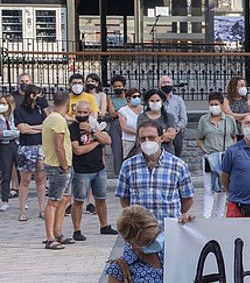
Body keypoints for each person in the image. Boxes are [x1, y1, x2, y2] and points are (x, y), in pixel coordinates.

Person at [117, 121, 195, 226]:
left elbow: (187, 198)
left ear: (161, 138)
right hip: (139, 230)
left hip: (168, 228)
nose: (147, 141)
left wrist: (176, 215)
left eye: (151, 137)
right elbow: (124, 198)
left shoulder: (178, 165)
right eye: (142, 138)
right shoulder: (128, 165)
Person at [68, 98, 111, 240]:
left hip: (99, 168)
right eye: (79, 112)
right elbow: (77, 150)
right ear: (74, 112)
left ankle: (104, 225)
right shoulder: (73, 128)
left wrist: (92, 132)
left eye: (84, 112)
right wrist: (96, 143)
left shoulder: (95, 125)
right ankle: (77, 230)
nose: (81, 114)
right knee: (79, 201)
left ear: (90, 113)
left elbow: (108, 140)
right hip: (81, 170)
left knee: (101, 199)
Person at [191, 93, 234, 219]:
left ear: (221, 105)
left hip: (225, 156)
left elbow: (234, 136)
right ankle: (206, 216)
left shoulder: (229, 120)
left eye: (216, 104)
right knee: (208, 187)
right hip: (210, 157)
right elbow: (199, 138)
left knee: (222, 187)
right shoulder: (204, 120)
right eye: (211, 104)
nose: (214, 107)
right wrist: (204, 150)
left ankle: (219, 215)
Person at [41, 90, 74, 250]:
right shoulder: (57, 120)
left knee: (64, 199)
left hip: (61, 165)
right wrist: (64, 165)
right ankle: (50, 237)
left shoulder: (54, 118)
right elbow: (58, 146)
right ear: (67, 103)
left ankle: (58, 232)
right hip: (58, 165)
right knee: (54, 201)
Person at [14, 85, 47, 223]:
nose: (38, 98)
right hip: (26, 148)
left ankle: (42, 209)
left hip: (40, 147)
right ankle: (22, 211)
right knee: (25, 180)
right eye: (35, 95)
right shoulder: (19, 111)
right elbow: (22, 129)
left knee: (41, 179)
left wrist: (31, 127)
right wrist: (36, 129)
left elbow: (45, 126)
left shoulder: (40, 111)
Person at [156, 75, 189, 157]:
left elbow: (183, 119)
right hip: (160, 134)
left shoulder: (178, 100)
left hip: (176, 133)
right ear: (159, 85)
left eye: (168, 82)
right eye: (164, 83)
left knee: (176, 157)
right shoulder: (156, 100)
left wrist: (175, 130)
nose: (166, 84)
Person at [0, 94, 17, 213]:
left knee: (22, 172)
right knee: (6, 173)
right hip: (5, 146)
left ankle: (23, 200)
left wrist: (5, 133)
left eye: (4, 103)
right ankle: (4, 200)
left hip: (17, 144)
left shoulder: (16, 116)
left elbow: (20, 131)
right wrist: (11, 133)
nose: (2, 106)